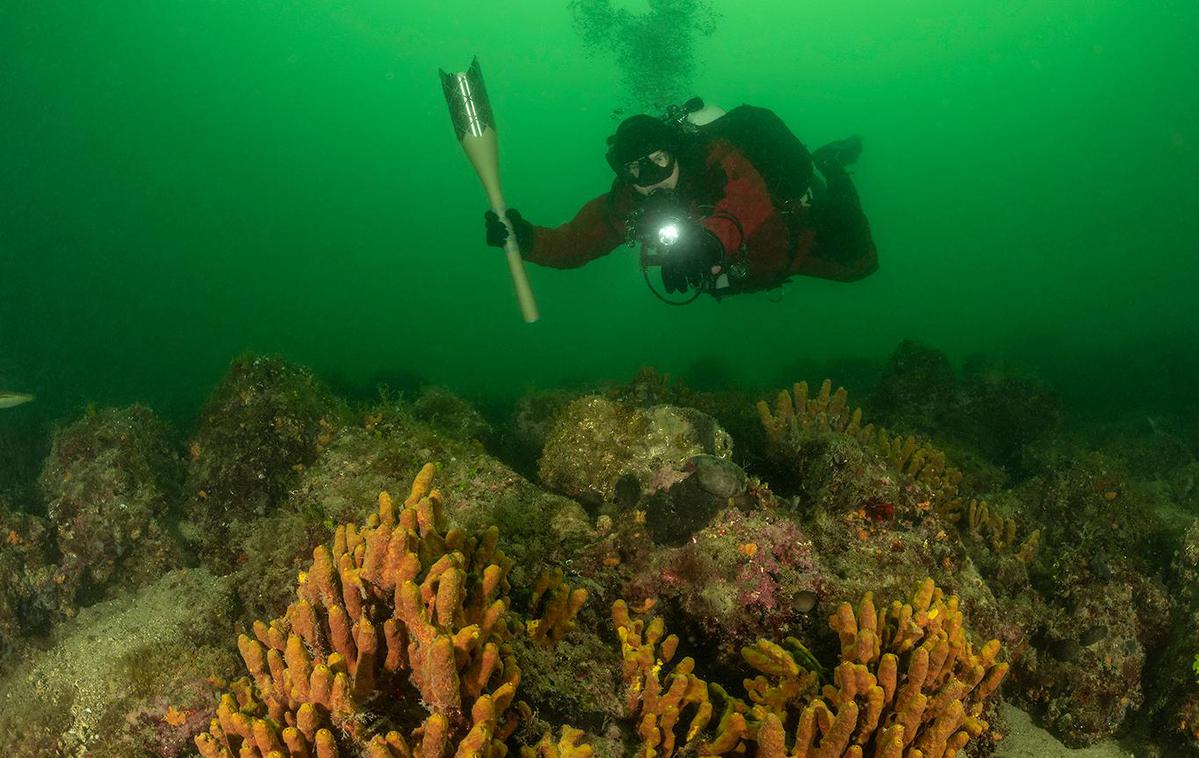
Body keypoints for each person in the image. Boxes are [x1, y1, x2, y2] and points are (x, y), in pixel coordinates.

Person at [484, 100, 878, 302]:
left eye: (659, 162)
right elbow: (575, 243)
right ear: (623, 174)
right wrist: (526, 238)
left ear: (676, 153)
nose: (651, 179)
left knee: (863, 265)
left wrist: (709, 242)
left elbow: (748, 198)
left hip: (795, 239)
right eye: (637, 170)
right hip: (752, 273)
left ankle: (830, 163)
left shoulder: (715, 158)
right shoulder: (627, 201)